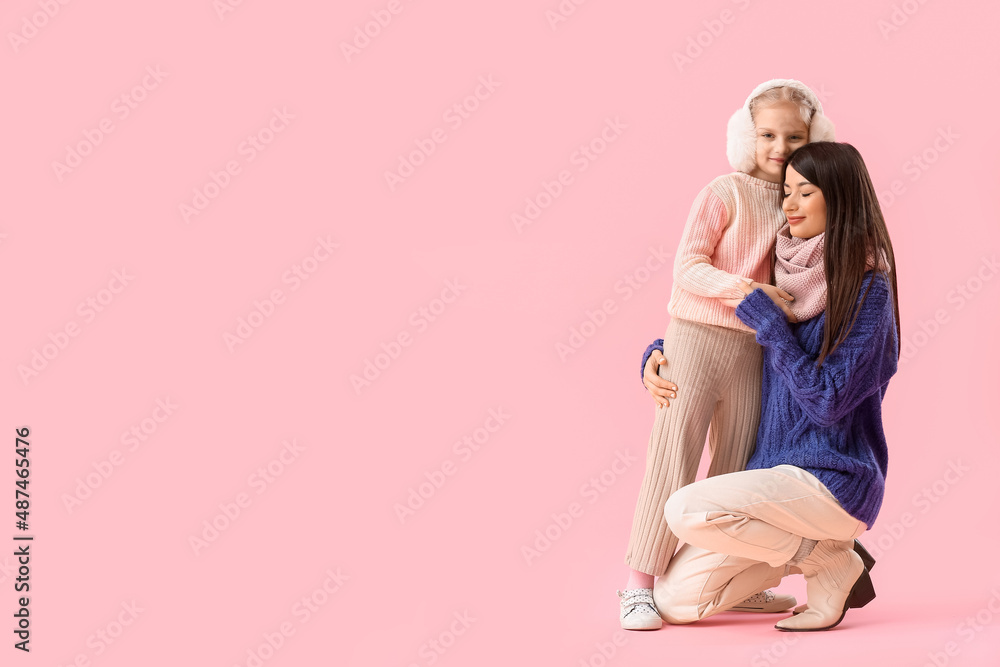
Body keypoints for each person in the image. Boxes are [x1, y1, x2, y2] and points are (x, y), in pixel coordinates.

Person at [640, 141, 899, 631]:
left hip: (831, 481)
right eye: (786, 191)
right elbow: (726, 333)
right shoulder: (782, 272)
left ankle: (827, 560)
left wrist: (772, 325)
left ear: (839, 198)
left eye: (806, 191)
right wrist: (662, 351)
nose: (790, 204)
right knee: (675, 602)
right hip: (770, 486)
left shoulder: (868, 290)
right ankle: (818, 556)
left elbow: (827, 401)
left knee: (685, 508)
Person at [618, 79, 836, 631]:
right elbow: (687, 268)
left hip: (753, 351)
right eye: (767, 133)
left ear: (812, 137)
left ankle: (727, 582)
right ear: (748, 134)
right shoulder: (724, 191)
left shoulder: (803, 199)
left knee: (738, 461)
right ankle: (638, 586)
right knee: (675, 455)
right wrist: (745, 292)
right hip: (696, 337)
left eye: (794, 134)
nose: (780, 146)